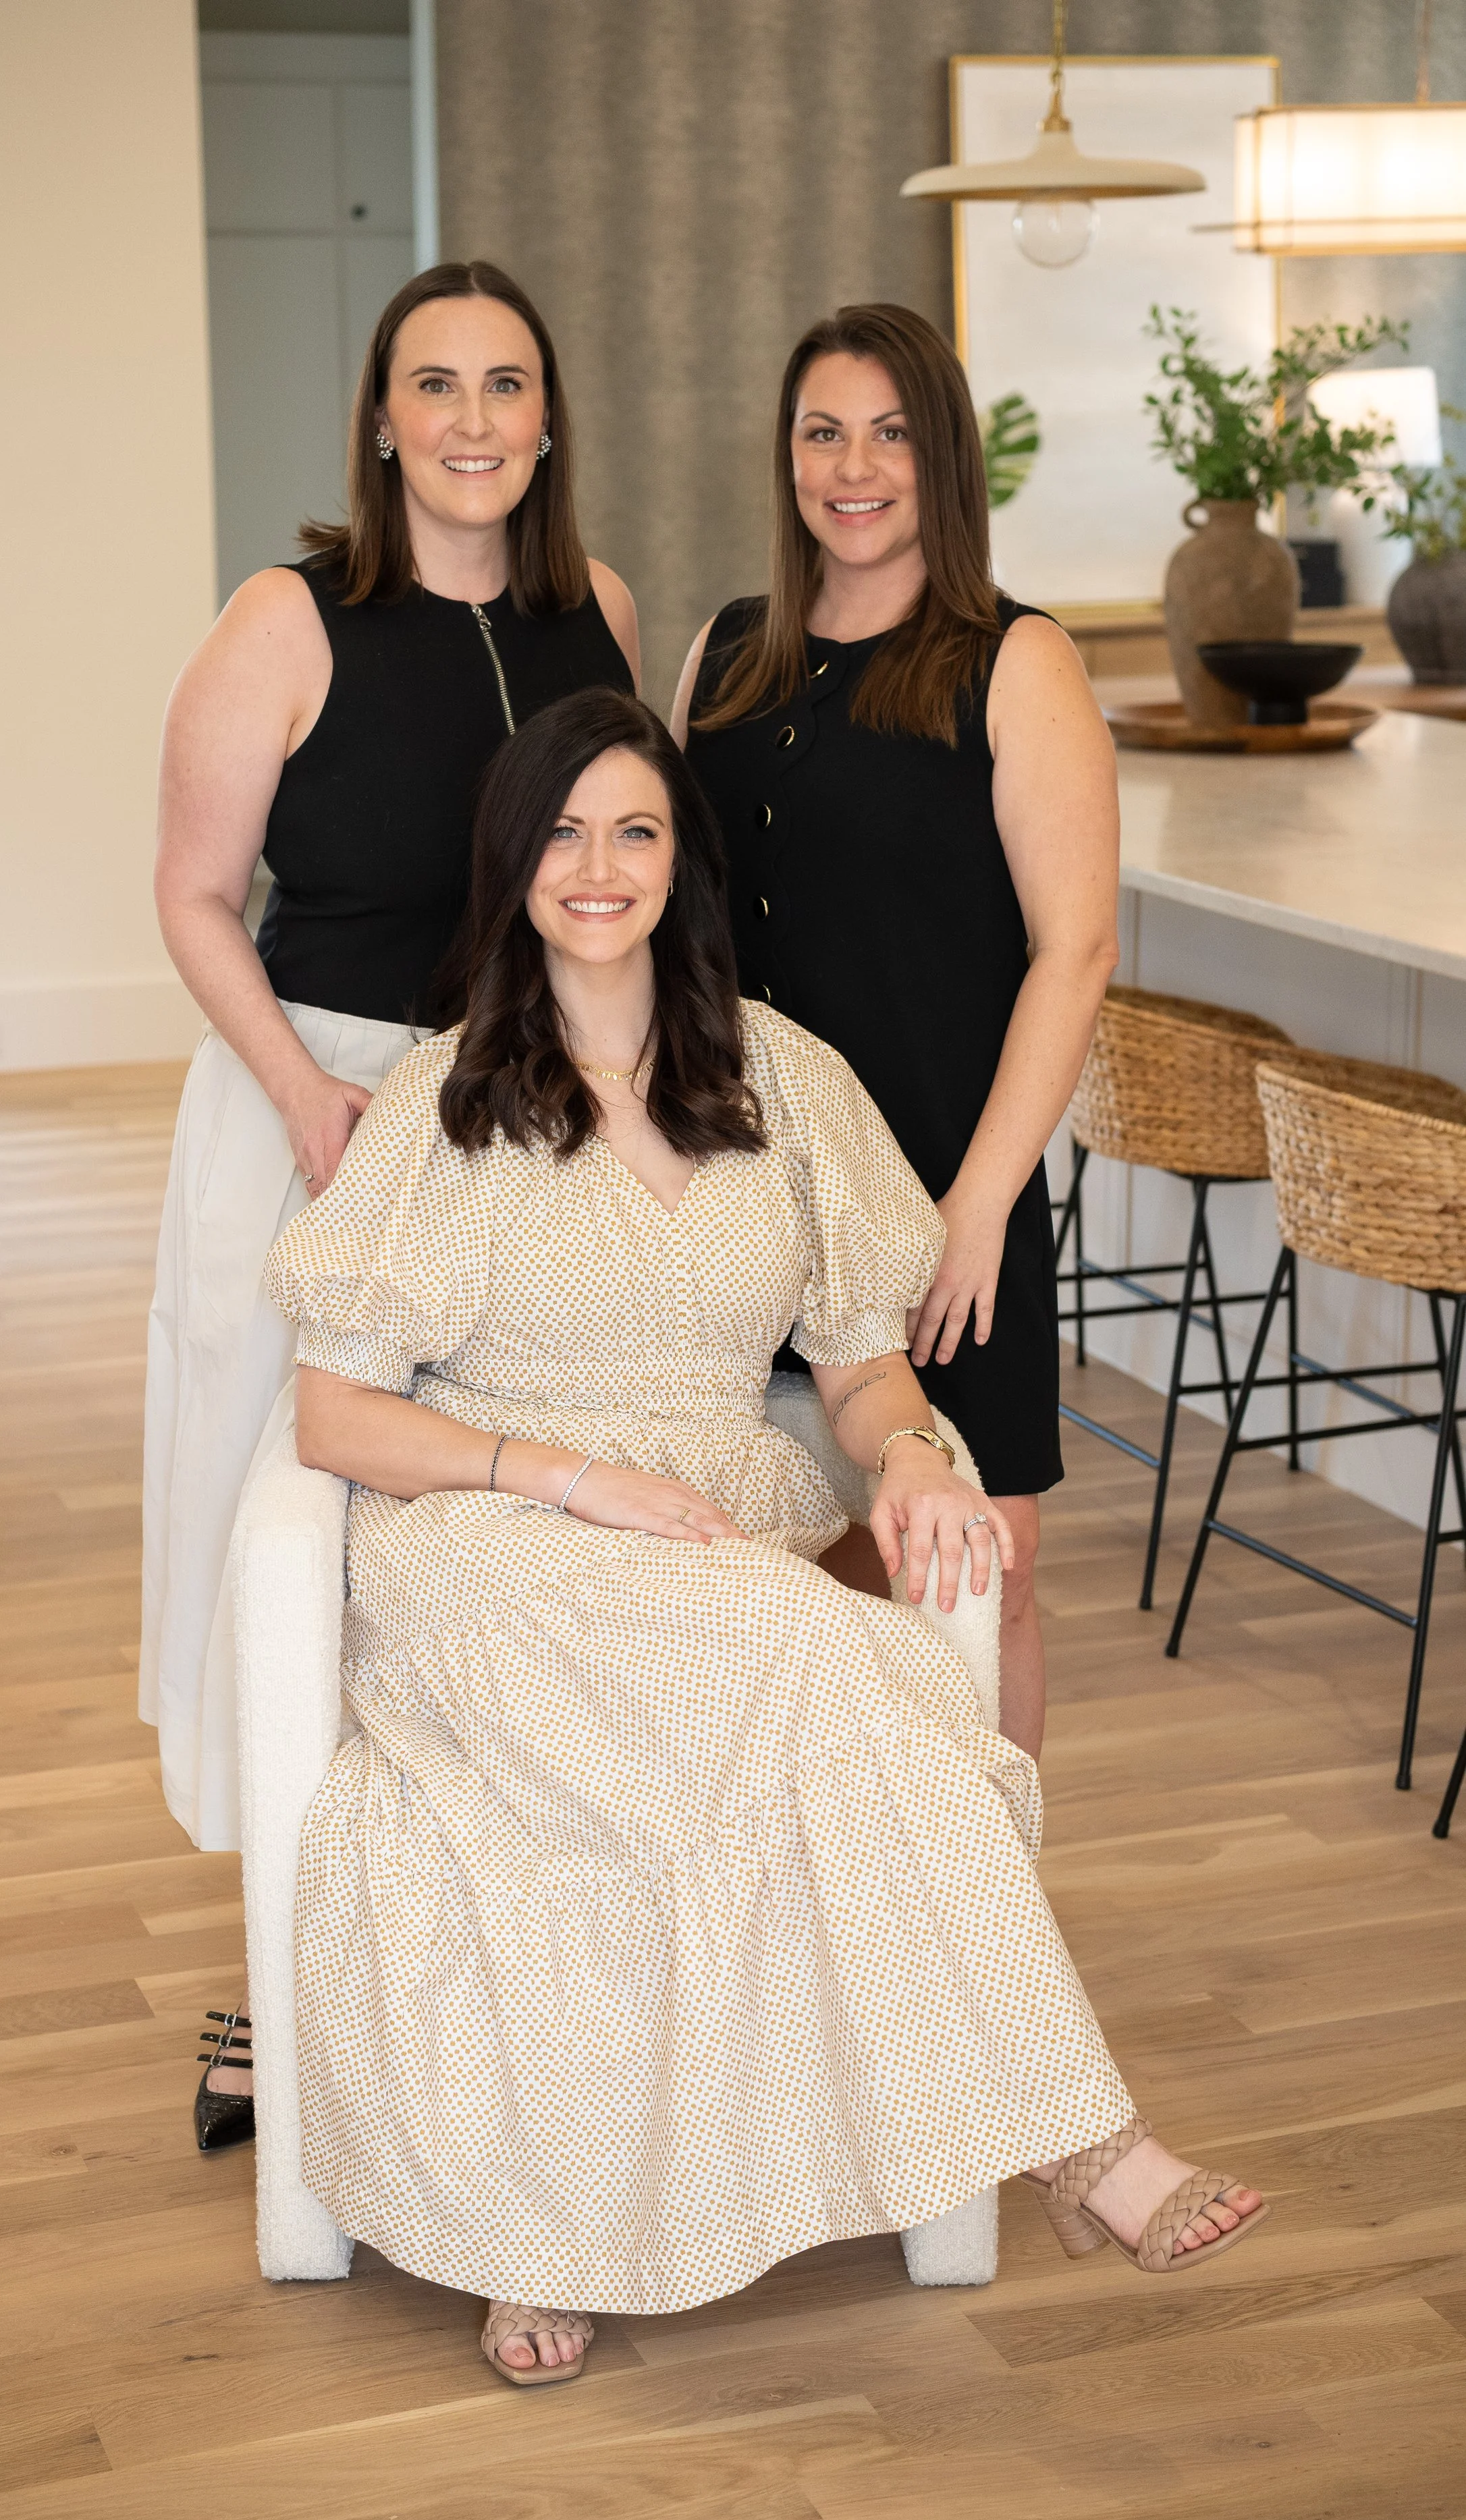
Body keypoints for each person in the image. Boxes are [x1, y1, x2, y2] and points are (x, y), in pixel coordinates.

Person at [267, 687, 1265, 2385]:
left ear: (681, 861)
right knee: (824, 1661)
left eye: (636, 831)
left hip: (715, 1523)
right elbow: (333, 1419)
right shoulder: (445, 1101)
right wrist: (564, 1481)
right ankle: (1077, 2151)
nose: (600, 868)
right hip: (494, 1537)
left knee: (798, 1682)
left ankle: (559, 2221)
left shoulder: (780, 1078)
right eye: (565, 833)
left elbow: (861, 1372)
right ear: (512, 864)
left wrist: (918, 1460)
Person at [142, 261, 640, 2148]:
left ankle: (456, 1944)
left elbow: (621, 878)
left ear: (545, 418)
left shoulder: (591, 608)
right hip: (317, 1104)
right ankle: (269, 1972)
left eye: (505, 383)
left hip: (516, 1110)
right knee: (276, 1522)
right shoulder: (287, 615)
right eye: (432, 384)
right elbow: (194, 892)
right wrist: (300, 1094)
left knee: (468, 1544)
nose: (470, 419)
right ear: (379, 417)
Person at [674, 302, 1120, 1762]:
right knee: (774, 1556)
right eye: (820, 431)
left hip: (947, 1183)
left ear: (940, 459)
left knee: (983, 1564)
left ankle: (988, 1906)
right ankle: (830, 1894)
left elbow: (1075, 949)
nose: (850, 466)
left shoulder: (1013, 660)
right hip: (749, 1192)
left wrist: (979, 1204)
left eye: (887, 433)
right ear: (785, 455)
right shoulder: (721, 656)